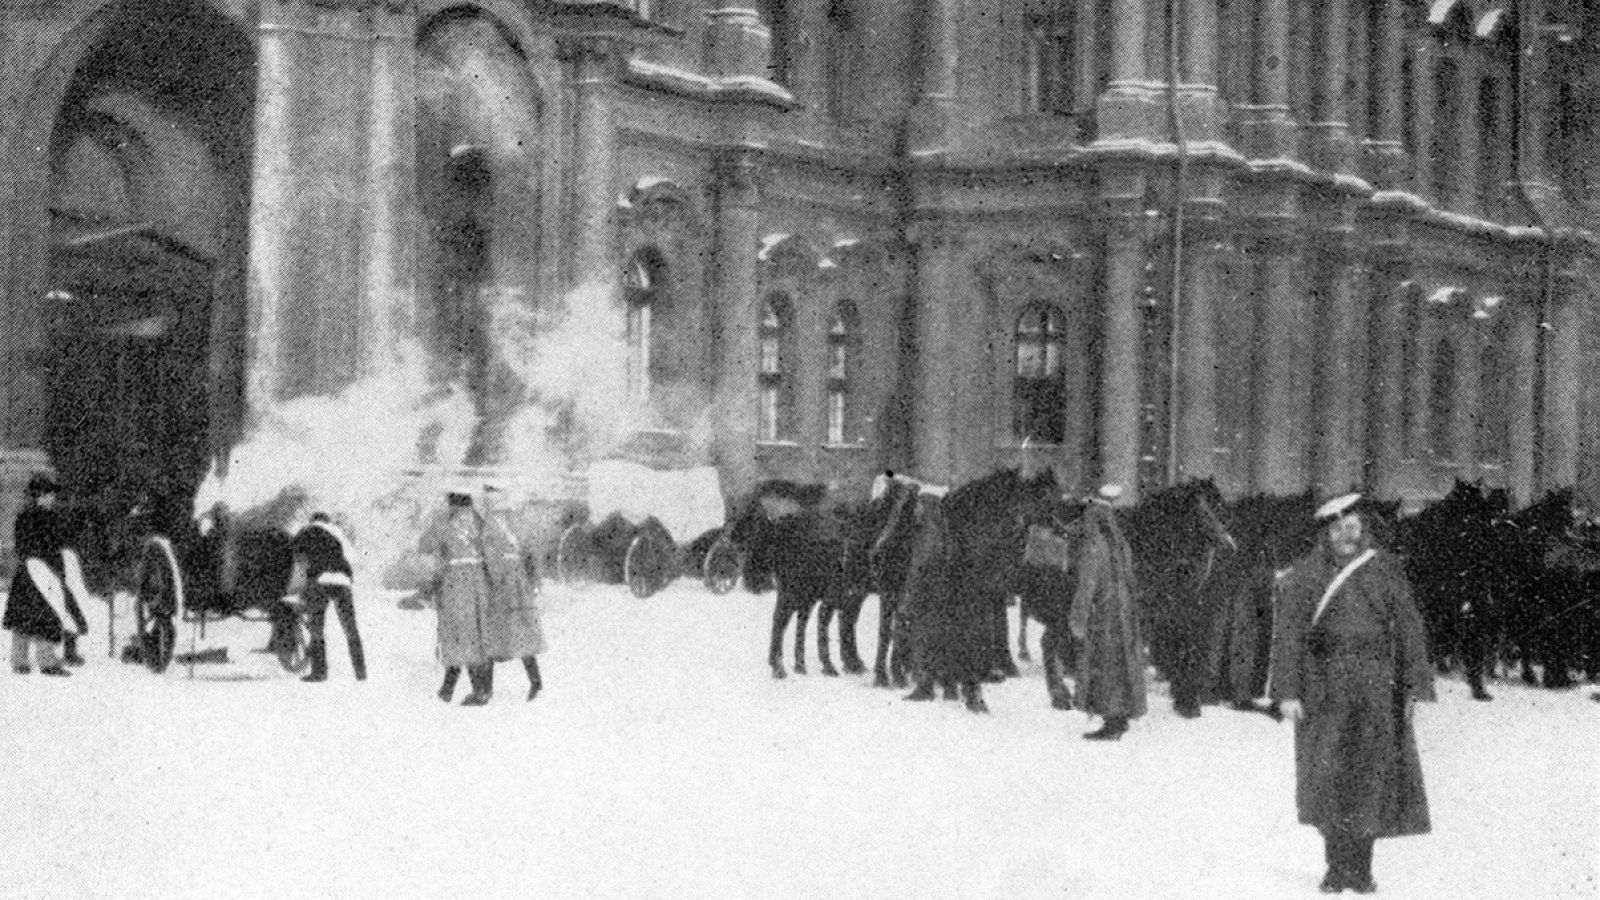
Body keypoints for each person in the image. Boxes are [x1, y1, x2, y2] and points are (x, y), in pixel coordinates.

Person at [1269, 493, 1434, 895]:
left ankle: (1361, 868)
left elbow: (1410, 627)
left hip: (1377, 688)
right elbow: (1288, 636)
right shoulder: (1305, 575)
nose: (1348, 536)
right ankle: (1334, 866)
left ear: (1364, 530)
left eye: (1354, 528)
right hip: (1323, 688)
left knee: (1370, 777)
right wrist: (1287, 691)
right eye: (1339, 529)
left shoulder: (1384, 569)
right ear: (1326, 532)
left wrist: (1415, 683)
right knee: (1328, 777)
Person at [420, 487, 546, 706]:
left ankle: (473, 691)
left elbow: (426, 546)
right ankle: (458, 689)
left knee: (460, 634)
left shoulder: (445, 521)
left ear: (452, 503)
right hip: (481, 583)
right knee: (479, 636)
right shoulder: (482, 521)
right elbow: (495, 554)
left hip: (456, 585)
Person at [1068, 483, 1147, 740]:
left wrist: (1078, 620)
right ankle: (1121, 717)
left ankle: (1112, 722)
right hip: (1124, 613)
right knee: (1124, 665)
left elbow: (1086, 585)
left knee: (1106, 667)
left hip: (1104, 615)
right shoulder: (1119, 541)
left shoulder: (1095, 544)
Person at [4, 474, 91, 675]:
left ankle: (22, 660)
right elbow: (40, 545)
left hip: (33, 573)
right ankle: (45, 661)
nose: (51, 498)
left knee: (26, 617)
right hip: (40, 573)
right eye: (47, 494)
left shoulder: (33, 517)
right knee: (45, 615)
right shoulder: (38, 518)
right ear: (38, 496)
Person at [290, 511, 366, 682]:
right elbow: (352, 559)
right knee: (351, 629)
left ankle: (320, 672)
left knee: (317, 628)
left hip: (319, 581)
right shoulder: (337, 533)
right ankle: (360, 672)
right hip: (342, 581)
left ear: (313, 520)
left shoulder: (306, 531)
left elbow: (294, 557)